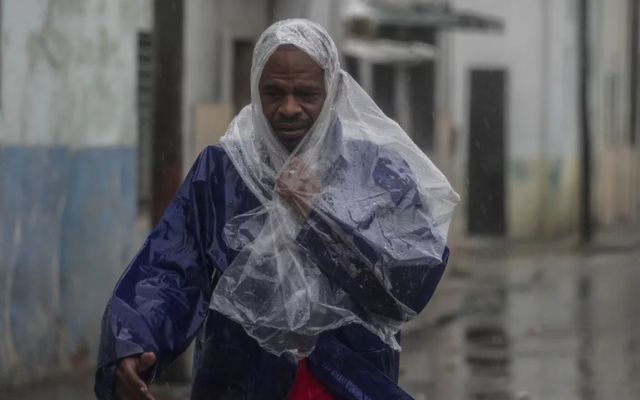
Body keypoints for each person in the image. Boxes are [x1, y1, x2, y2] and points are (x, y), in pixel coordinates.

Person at [95, 19, 458, 400]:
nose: (288, 108)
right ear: (255, 90)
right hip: (242, 381)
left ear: (332, 93)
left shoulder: (374, 172)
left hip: (350, 381)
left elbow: (410, 279)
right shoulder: (225, 170)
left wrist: (319, 215)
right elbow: (171, 267)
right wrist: (134, 338)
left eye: (306, 94)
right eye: (273, 93)